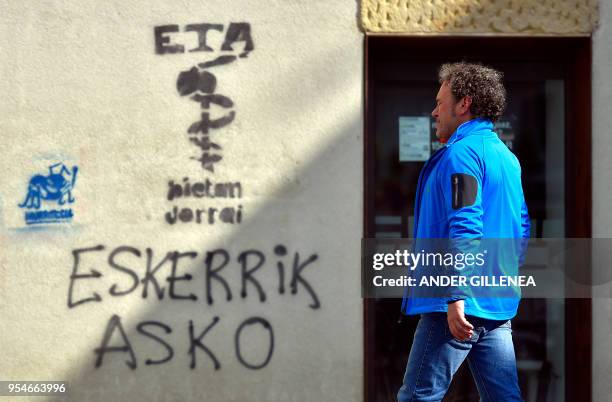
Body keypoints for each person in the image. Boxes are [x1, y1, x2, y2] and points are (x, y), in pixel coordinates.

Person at [397, 62, 531, 402]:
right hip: (496, 304)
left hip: (455, 305)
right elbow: (522, 226)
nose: (433, 111)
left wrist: (456, 296)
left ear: (464, 104)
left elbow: (466, 223)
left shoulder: (462, 155)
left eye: (440, 102)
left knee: (417, 397)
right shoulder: (507, 158)